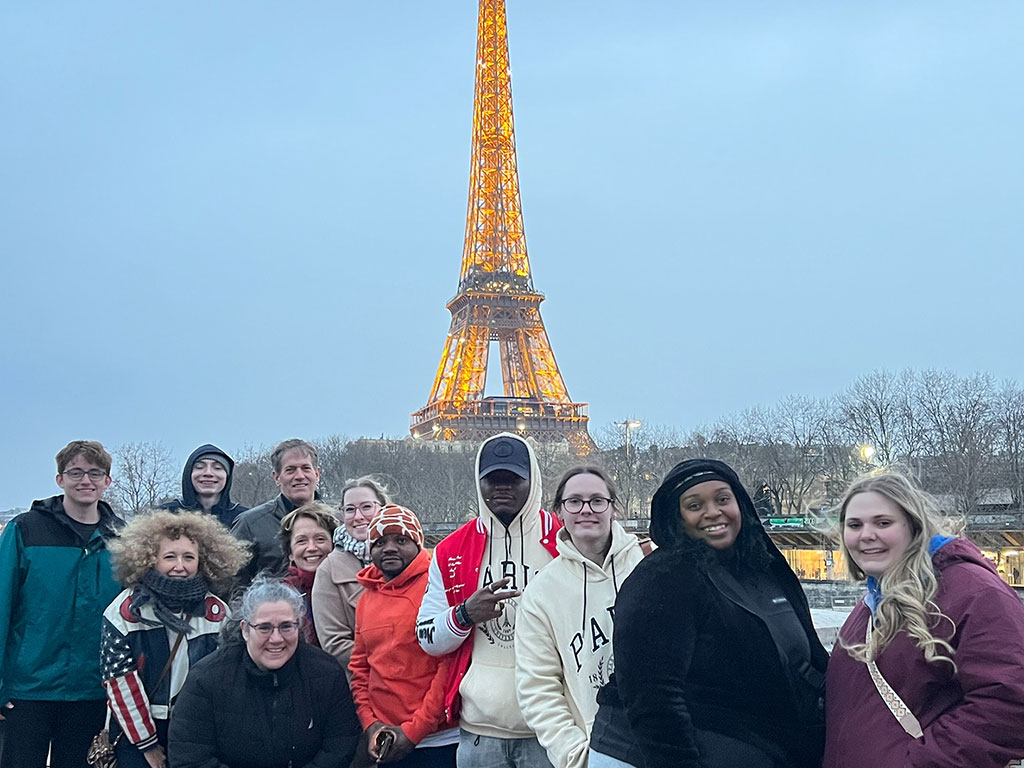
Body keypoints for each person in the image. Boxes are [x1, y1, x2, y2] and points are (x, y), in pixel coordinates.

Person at [601, 458, 827, 768]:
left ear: (740, 504)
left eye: (723, 499)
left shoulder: (763, 568)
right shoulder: (660, 578)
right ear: (677, 517)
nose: (712, 512)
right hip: (655, 755)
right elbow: (652, 699)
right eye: (694, 505)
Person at [824, 470, 1024, 768]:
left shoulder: (973, 592)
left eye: (883, 522)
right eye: (854, 524)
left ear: (914, 527)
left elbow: (1008, 702)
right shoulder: (869, 604)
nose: (866, 535)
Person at [417, 432, 561, 768]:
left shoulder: (565, 541)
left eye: (513, 479)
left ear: (533, 480)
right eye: (492, 480)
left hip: (551, 730)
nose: (502, 488)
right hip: (480, 732)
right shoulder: (450, 550)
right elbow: (426, 637)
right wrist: (465, 614)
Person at [0, 440, 124, 768]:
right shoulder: (25, 530)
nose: (86, 480)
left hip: (91, 689)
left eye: (95, 473)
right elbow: (1, 606)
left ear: (107, 481)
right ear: (60, 480)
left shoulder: (122, 539)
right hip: (29, 688)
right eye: (76, 473)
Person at [515, 468, 644, 768]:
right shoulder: (540, 593)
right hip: (597, 753)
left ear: (614, 508)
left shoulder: (649, 564)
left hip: (665, 744)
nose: (586, 509)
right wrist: (575, 756)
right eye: (574, 501)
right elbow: (538, 687)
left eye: (597, 500)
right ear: (559, 511)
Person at [101, 510, 249, 768]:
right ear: (149, 558)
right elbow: (119, 683)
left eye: (188, 557)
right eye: (170, 557)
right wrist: (147, 745)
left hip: (198, 728)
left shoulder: (217, 613)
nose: (179, 566)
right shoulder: (124, 611)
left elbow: (229, 678)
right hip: (135, 732)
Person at [168, 577, 360, 768]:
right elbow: (190, 756)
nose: (276, 638)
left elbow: (340, 743)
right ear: (245, 629)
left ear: (298, 626)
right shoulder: (206, 679)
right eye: (264, 628)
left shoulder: (326, 673)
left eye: (286, 626)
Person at [350, 504, 459, 767]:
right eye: (380, 542)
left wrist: (414, 731)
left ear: (418, 544)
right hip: (385, 740)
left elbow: (448, 665)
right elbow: (360, 668)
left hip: (440, 741)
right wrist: (370, 724)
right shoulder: (366, 599)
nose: (389, 548)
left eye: (401, 540)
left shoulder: (437, 588)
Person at [312, 476, 389, 672]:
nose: (358, 516)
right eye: (350, 509)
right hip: (364, 683)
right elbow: (334, 643)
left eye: (366, 507)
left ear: (383, 508)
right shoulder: (329, 569)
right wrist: (392, 659)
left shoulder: (409, 556)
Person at [231, 438, 322, 583]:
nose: (299, 476)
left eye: (305, 468)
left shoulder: (338, 523)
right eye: (290, 470)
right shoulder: (250, 524)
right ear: (277, 477)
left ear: (317, 474)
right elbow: (231, 584)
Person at [279, 502, 338, 646]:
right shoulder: (280, 596)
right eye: (301, 541)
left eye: (320, 539)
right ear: (290, 553)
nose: (311, 547)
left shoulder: (351, 586)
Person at [160, 444, 248, 528]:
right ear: (189, 474)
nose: (208, 473)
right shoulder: (165, 514)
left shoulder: (245, 518)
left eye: (217, 468)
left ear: (227, 476)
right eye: (199, 467)